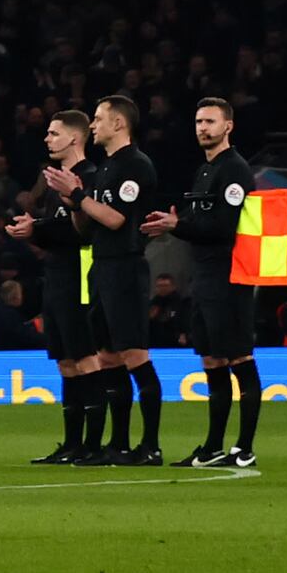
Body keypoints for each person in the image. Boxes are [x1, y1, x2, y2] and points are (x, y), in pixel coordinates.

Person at [171, 97, 272, 476]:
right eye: (198, 121)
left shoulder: (234, 170)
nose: (202, 128)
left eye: (210, 121)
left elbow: (222, 228)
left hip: (231, 278)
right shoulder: (204, 170)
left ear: (228, 126)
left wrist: (175, 226)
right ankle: (214, 446)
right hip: (205, 278)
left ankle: (244, 447)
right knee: (211, 360)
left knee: (239, 358)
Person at [76, 97, 167, 463]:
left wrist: (79, 195)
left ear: (118, 123)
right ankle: (119, 444)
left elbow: (116, 219)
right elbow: (89, 225)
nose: (93, 125)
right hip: (101, 266)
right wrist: (73, 199)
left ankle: (151, 445)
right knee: (108, 357)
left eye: (98, 119)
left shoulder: (136, 165)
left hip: (126, 269)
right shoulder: (105, 168)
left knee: (133, 354)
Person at [13, 109, 107, 462]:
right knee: (66, 362)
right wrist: (32, 227)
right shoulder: (57, 180)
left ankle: (92, 445)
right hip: (54, 277)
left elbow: (81, 231)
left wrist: (37, 229)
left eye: (53, 133)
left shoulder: (88, 179)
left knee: (86, 359)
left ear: (74, 138)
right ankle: (71, 444)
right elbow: (57, 227)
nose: (47, 138)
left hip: (78, 279)